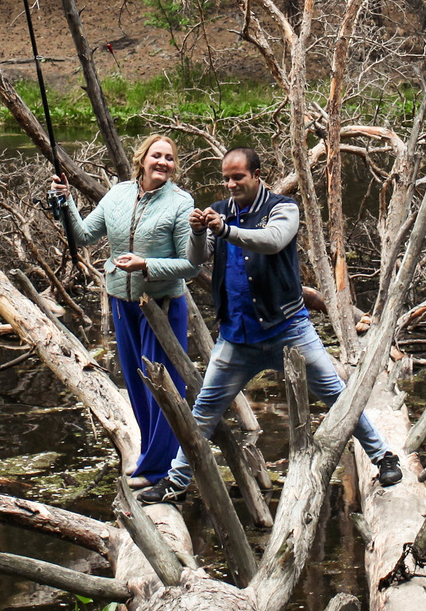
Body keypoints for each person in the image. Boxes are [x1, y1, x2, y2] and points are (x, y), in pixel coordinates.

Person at [144, 145, 401, 505]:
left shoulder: (283, 208)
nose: (231, 184)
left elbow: (272, 241)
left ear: (256, 176)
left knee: (336, 396)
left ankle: (383, 456)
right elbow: (194, 260)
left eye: (238, 177)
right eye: (226, 178)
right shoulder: (219, 212)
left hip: (289, 331)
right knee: (202, 413)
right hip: (237, 338)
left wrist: (226, 231)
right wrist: (200, 231)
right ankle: (175, 484)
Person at [49, 134, 196, 488]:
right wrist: (65, 201)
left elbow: (189, 264)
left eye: (169, 158)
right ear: (142, 159)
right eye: (156, 156)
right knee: (136, 383)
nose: (163, 162)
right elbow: (83, 235)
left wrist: (147, 264)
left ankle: (158, 469)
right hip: (122, 302)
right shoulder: (117, 195)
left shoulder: (180, 202)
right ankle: (150, 455)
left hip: (160, 305)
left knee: (164, 386)